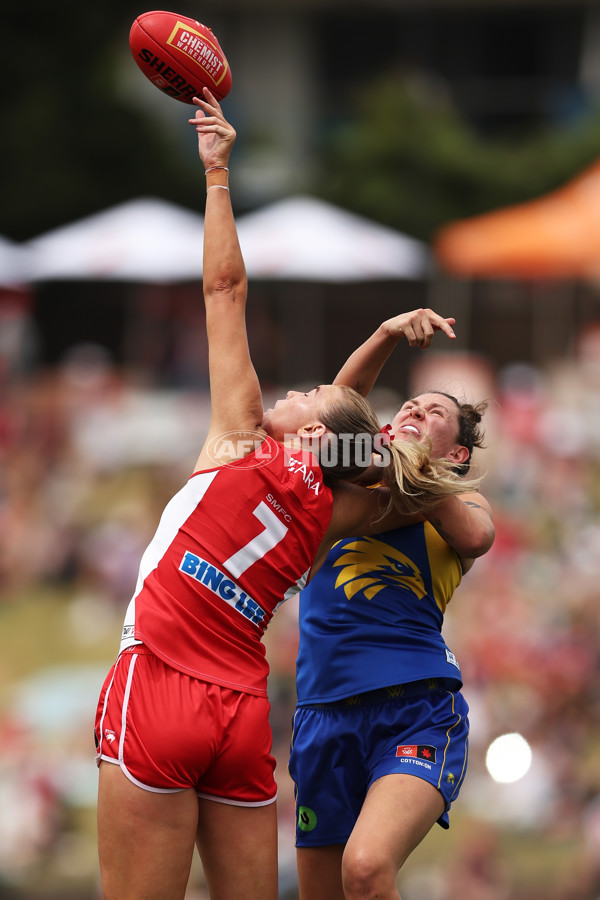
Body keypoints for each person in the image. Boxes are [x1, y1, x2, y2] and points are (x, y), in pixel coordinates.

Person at [93, 89, 477, 900]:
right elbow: (373, 452)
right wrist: (379, 414)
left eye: (302, 391)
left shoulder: (240, 438)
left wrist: (218, 172)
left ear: (312, 431)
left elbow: (224, 291)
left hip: (162, 676)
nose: (290, 391)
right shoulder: (332, 514)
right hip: (239, 711)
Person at [289, 315, 495, 900]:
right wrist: (385, 335)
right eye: (408, 406)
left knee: (367, 869)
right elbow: (335, 406)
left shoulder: (459, 498)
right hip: (321, 712)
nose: (413, 413)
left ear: (456, 452)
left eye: (433, 414)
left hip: (417, 709)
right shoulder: (355, 484)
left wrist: (406, 461)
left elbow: (476, 538)